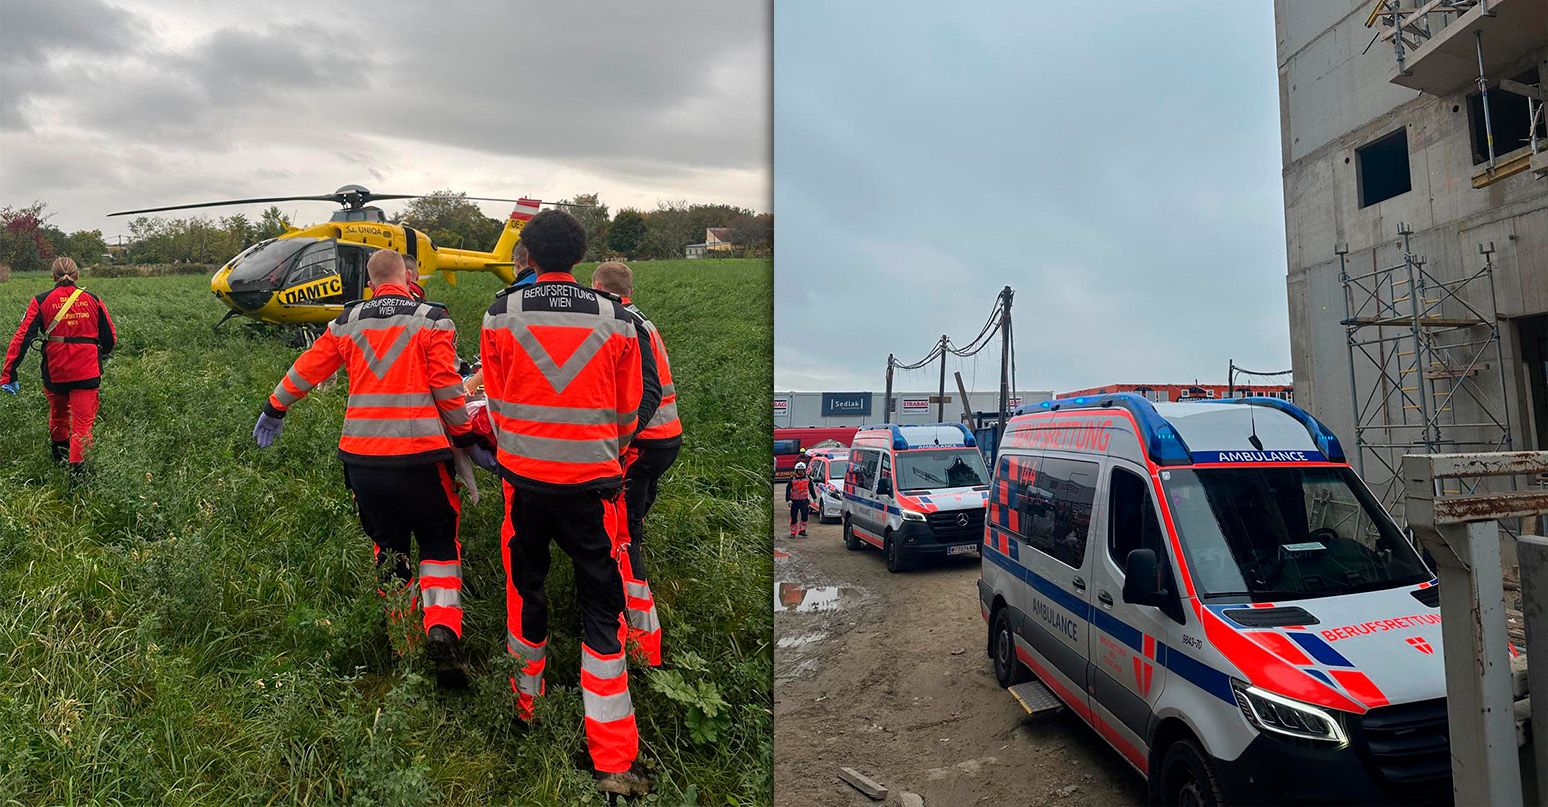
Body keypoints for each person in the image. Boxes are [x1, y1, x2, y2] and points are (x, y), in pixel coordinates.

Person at [478, 209, 660, 797]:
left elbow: (497, 400)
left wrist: (519, 450)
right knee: (600, 611)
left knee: (525, 591)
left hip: (524, 484)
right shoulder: (617, 317)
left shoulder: (499, 312)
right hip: (594, 489)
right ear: (580, 259)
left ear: (527, 255)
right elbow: (631, 409)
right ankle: (612, 761)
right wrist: (600, 450)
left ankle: (525, 710)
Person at [251, 249, 483, 689]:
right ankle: (442, 629)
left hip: (363, 462)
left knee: (388, 547)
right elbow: (447, 389)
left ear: (372, 283)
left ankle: (403, 640)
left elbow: (308, 368)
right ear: (407, 276)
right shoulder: (431, 319)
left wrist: (275, 405)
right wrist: (466, 435)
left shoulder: (346, 322)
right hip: (421, 459)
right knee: (438, 542)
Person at [591, 260, 678, 666]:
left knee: (625, 538)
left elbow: (646, 392)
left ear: (596, 286)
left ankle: (643, 647)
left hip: (642, 445)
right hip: (663, 441)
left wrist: (620, 441)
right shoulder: (642, 319)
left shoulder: (624, 322)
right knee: (634, 522)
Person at [2, 256, 117, 478]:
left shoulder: (41, 300)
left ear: (52, 276)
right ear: (77, 275)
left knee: (58, 413)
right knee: (83, 426)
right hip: (87, 371)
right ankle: (78, 476)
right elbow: (110, 337)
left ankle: (59, 456)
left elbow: (22, 338)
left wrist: (9, 373)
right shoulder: (93, 299)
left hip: (56, 372)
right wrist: (99, 353)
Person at [787, 462, 812, 537]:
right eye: (799, 470)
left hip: (804, 500)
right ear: (796, 470)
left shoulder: (808, 478)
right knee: (794, 517)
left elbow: (811, 488)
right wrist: (788, 499)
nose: (800, 471)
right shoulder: (792, 479)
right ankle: (793, 532)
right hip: (794, 501)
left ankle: (802, 530)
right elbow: (788, 489)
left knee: (805, 516)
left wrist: (813, 497)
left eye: (802, 470)